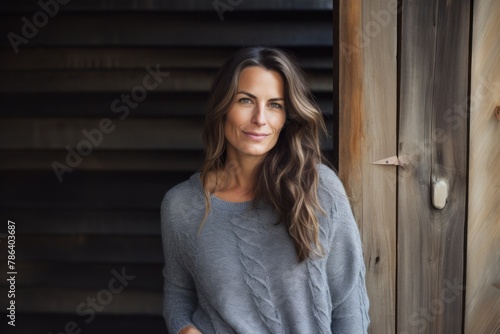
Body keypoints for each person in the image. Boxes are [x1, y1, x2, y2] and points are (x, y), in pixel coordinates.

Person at [160, 47, 369, 334]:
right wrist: (184, 329)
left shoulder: (319, 188)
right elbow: (178, 294)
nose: (260, 118)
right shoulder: (181, 205)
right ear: (222, 107)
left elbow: (349, 303)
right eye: (246, 100)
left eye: (275, 105)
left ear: (286, 117)